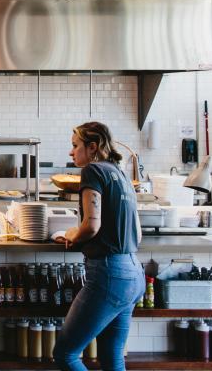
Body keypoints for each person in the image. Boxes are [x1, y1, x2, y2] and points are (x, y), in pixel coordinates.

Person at [53, 122, 143, 371]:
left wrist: (73, 233)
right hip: (134, 272)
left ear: (92, 147)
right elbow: (138, 232)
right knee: (112, 355)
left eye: (75, 146)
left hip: (109, 274)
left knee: (66, 354)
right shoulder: (121, 173)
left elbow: (91, 225)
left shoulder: (93, 170)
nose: (71, 152)